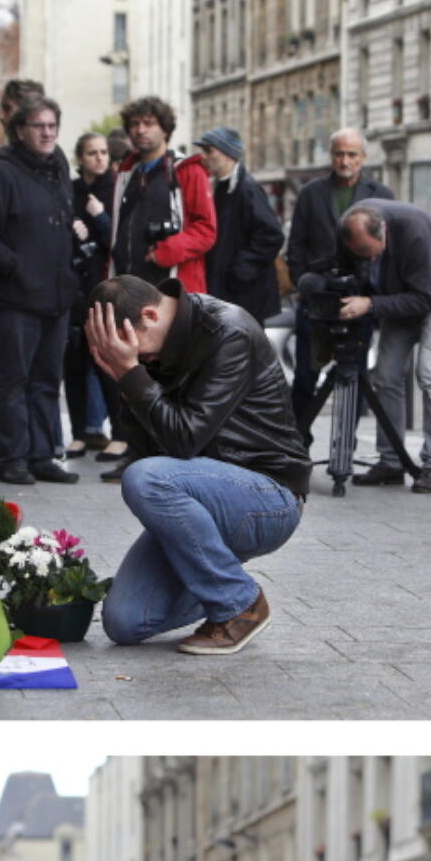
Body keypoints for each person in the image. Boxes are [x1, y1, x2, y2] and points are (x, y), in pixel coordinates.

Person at [85, 273, 308, 654]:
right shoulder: (152, 344)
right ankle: (218, 577)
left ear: (150, 315)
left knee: (144, 479)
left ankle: (240, 605)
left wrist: (131, 374)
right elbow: (146, 449)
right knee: (124, 621)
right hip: (200, 494)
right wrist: (126, 383)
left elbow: (183, 440)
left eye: (137, 350)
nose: (138, 360)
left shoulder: (227, 333)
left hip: (267, 497)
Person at [0, 95, 80, 486]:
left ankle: (44, 455)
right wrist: (16, 268)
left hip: (56, 297)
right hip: (15, 299)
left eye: (52, 126)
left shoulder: (58, 167)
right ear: (20, 130)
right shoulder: (1, 173)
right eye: (39, 126)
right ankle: (12, 457)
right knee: (12, 380)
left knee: (48, 380)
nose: (47, 133)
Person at [103, 96, 218, 479]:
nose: (140, 130)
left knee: (173, 375)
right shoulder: (127, 170)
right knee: (131, 372)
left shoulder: (186, 169)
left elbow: (206, 229)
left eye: (148, 123)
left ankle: (167, 455)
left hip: (170, 291)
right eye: (134, 123)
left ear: (164, 127)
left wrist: (166, 252)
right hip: (131, 288)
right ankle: (136, 451)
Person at [336, 201, 431, 493]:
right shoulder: (351, 229)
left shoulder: (413, 232)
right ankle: (391, 461)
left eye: (367, 251)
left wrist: (369, 304)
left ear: (382, 232)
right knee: (386, 376)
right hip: (396, 294)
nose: (365, 259)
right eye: (358, 253)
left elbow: (423, 299)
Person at [286, 129, 393, 441]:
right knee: (306, 376)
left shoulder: (381, 195)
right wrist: (303, 280)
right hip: (317, 298)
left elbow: (388, 248)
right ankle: (296, 443)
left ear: (363, 158)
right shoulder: (310, 193)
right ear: (331, 155)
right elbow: (296, 245)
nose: (344, 161)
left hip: (357, 301)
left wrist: (372, 291)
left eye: (351, 154)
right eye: (338, 154)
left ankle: (346, 442)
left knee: (353, 377)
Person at [194, 126, 284, 325]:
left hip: (244, 295)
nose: (204, 157)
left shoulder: (247, 189)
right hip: (228, 292)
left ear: (228, 155)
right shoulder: (218, 186)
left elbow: (272, 234)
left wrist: (241, 271)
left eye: (210, 151)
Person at [64, 131, 119, 458]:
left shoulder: (115, 190)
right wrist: (71, 229)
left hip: (106, 288)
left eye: (103, 152)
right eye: (92, 153)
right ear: (80, 158)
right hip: (74, 287)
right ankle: (81, 431)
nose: (99, 158)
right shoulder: (69, 191)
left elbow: (119, 240)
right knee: (74, 362)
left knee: (107, 363)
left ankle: (118, 431)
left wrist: (99, 217)